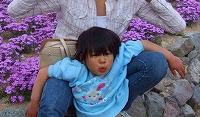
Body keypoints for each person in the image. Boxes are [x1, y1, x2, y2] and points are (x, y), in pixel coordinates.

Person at [7, 0, 186, 117]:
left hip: (107, 73)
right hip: (69, 68)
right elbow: (15, 11)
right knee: (51, 108)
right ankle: (82, 106)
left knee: (156, 63)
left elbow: (177, 26)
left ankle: (110, 105)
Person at [25, 27, 185, 117]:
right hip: (85, 113)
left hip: (113, 108)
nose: (103, 60)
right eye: (95, 55)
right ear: (83, 58)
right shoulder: (75, 69)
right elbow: (44, 72)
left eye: (107, 54)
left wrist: (171, 57)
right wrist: (34, 103)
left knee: (157, 61)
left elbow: (143, 44)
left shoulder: (118, 58)